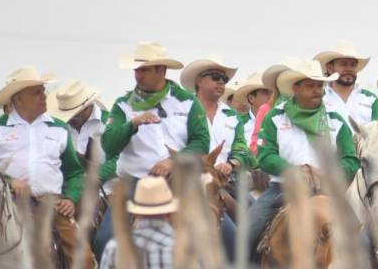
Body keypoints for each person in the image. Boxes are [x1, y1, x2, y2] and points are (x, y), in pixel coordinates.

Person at [0, 67, 112, 269]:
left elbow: (74, 172)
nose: (44, 96)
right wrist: (8, 180)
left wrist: (71, 197)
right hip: (5, 207)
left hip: (50, 207)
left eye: (43, 91)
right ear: (18, 98)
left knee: (82, 257)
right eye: (37, 92)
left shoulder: (57, 127)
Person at [249, 60, 360, 255]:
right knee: (246, 234)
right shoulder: (275, 116)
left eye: (319, 86)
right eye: (310, 86)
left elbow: (351, 160)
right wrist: (295, 170)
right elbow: (265, 156)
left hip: (326, 191)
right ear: (295, 88)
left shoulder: (335, 119)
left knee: (362, 241)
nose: (317, 91)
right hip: (282, 188)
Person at [101, 42, 210, 180]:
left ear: (161, 70)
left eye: (145, 70)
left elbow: (201, 142)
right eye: (136, 70)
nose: (138, 76)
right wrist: (132, 124)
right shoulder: (123, 104)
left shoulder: (187, 101)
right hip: (134, 181)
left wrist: (173, 161)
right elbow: (109, 145)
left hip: (178, 180)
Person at [180, 56, 254, 177]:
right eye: (215, 77)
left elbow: (242, 150)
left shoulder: (233, 117)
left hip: (223, 179)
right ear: (199, 81)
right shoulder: (182, 111)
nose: (221, 82)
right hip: (187, 178)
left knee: (248, 197)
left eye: (224, 79)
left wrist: (230, 164)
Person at [48, 79, 117, 188]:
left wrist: (96, 176)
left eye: (73, 116)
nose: (69, 120)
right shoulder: (60, 129)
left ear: (87, 108)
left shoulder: (110, 124)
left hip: (107, 192)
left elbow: (119, 158)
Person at [314, 40, 378, 125]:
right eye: (343, 64)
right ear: (330, 68)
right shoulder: (318, 98)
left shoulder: (371, 99)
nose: (349, 69)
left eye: (353, 65)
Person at [230, 72, 272, 144]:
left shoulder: (278, 119)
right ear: (251, 98)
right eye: (266, 93)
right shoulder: (237, 123)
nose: (271, 97)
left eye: (272, 92)